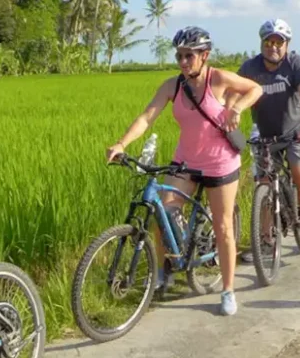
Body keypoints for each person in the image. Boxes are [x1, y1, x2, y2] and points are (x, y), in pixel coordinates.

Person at [105, 26, 263, 316]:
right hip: (186, 160)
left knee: (223, 226)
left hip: (220, 161)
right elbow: (147, 116)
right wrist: (121, 143)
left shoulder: (219, 78)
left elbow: (256, 88)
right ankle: (165, 271)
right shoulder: (172, 86)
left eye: (189, 56)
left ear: (204, 55)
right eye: (179, 56)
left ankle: (228, 290)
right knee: (162, 212)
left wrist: (237, 108)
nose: (183, 62)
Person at [230, 18, 300, 253]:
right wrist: (229, 115)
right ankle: (265, 239)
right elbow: (232, 92)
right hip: (264, 135)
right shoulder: (250, 68)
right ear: (262, 44)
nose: (273, 46)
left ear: (286, 44)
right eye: (268, 41)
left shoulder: (295, 63)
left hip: (295, 133)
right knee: (263, 183)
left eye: (278, 42)